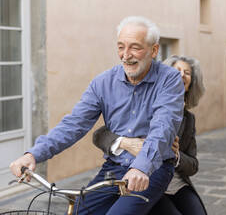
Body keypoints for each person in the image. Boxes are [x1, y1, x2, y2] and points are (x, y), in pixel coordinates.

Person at [9, 16, 185, 215]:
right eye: (120, 47)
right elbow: (74, 124)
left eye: (135, 47)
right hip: (114, 167)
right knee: (79, 211)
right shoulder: (102, 83)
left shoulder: (169, 80)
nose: (126, 55)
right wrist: (33, 154)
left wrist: (141, 168)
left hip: (153, 169)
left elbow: (164, 127)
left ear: (154, 50)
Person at [93, 55, 207, 215]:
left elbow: (193, 166)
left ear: (191, 83)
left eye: (187, 72)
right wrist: (126, 143)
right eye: (177, 70)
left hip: (177, 183)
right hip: (148, 179)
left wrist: (176, 155)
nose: (181, 75)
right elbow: (100, 134)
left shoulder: (188, 119)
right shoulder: (145, 104)